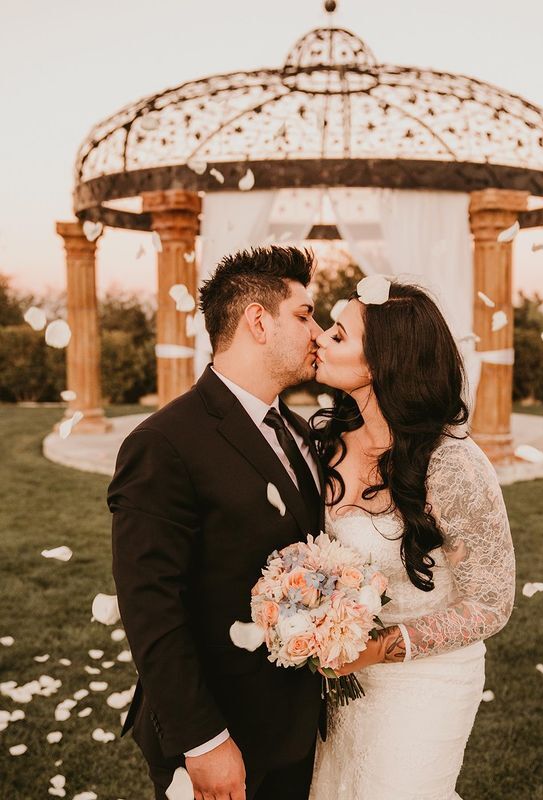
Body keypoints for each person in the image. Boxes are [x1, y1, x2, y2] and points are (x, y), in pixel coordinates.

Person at [108, 246, 325, 800]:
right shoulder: (164, 443)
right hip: (224, 733)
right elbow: (150, 604)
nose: (317, 333)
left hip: (298, 728)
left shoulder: (299, 432)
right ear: (258, 321)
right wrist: (203, 740)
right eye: (304, 315)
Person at [309, 280, 516, 800]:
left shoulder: (452, 465)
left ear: (382, 362)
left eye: (338, 334)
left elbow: (491, 604)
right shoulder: (325, 444)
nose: (319, 338)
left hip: (427, 683)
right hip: (340, 682)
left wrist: (378, 649)